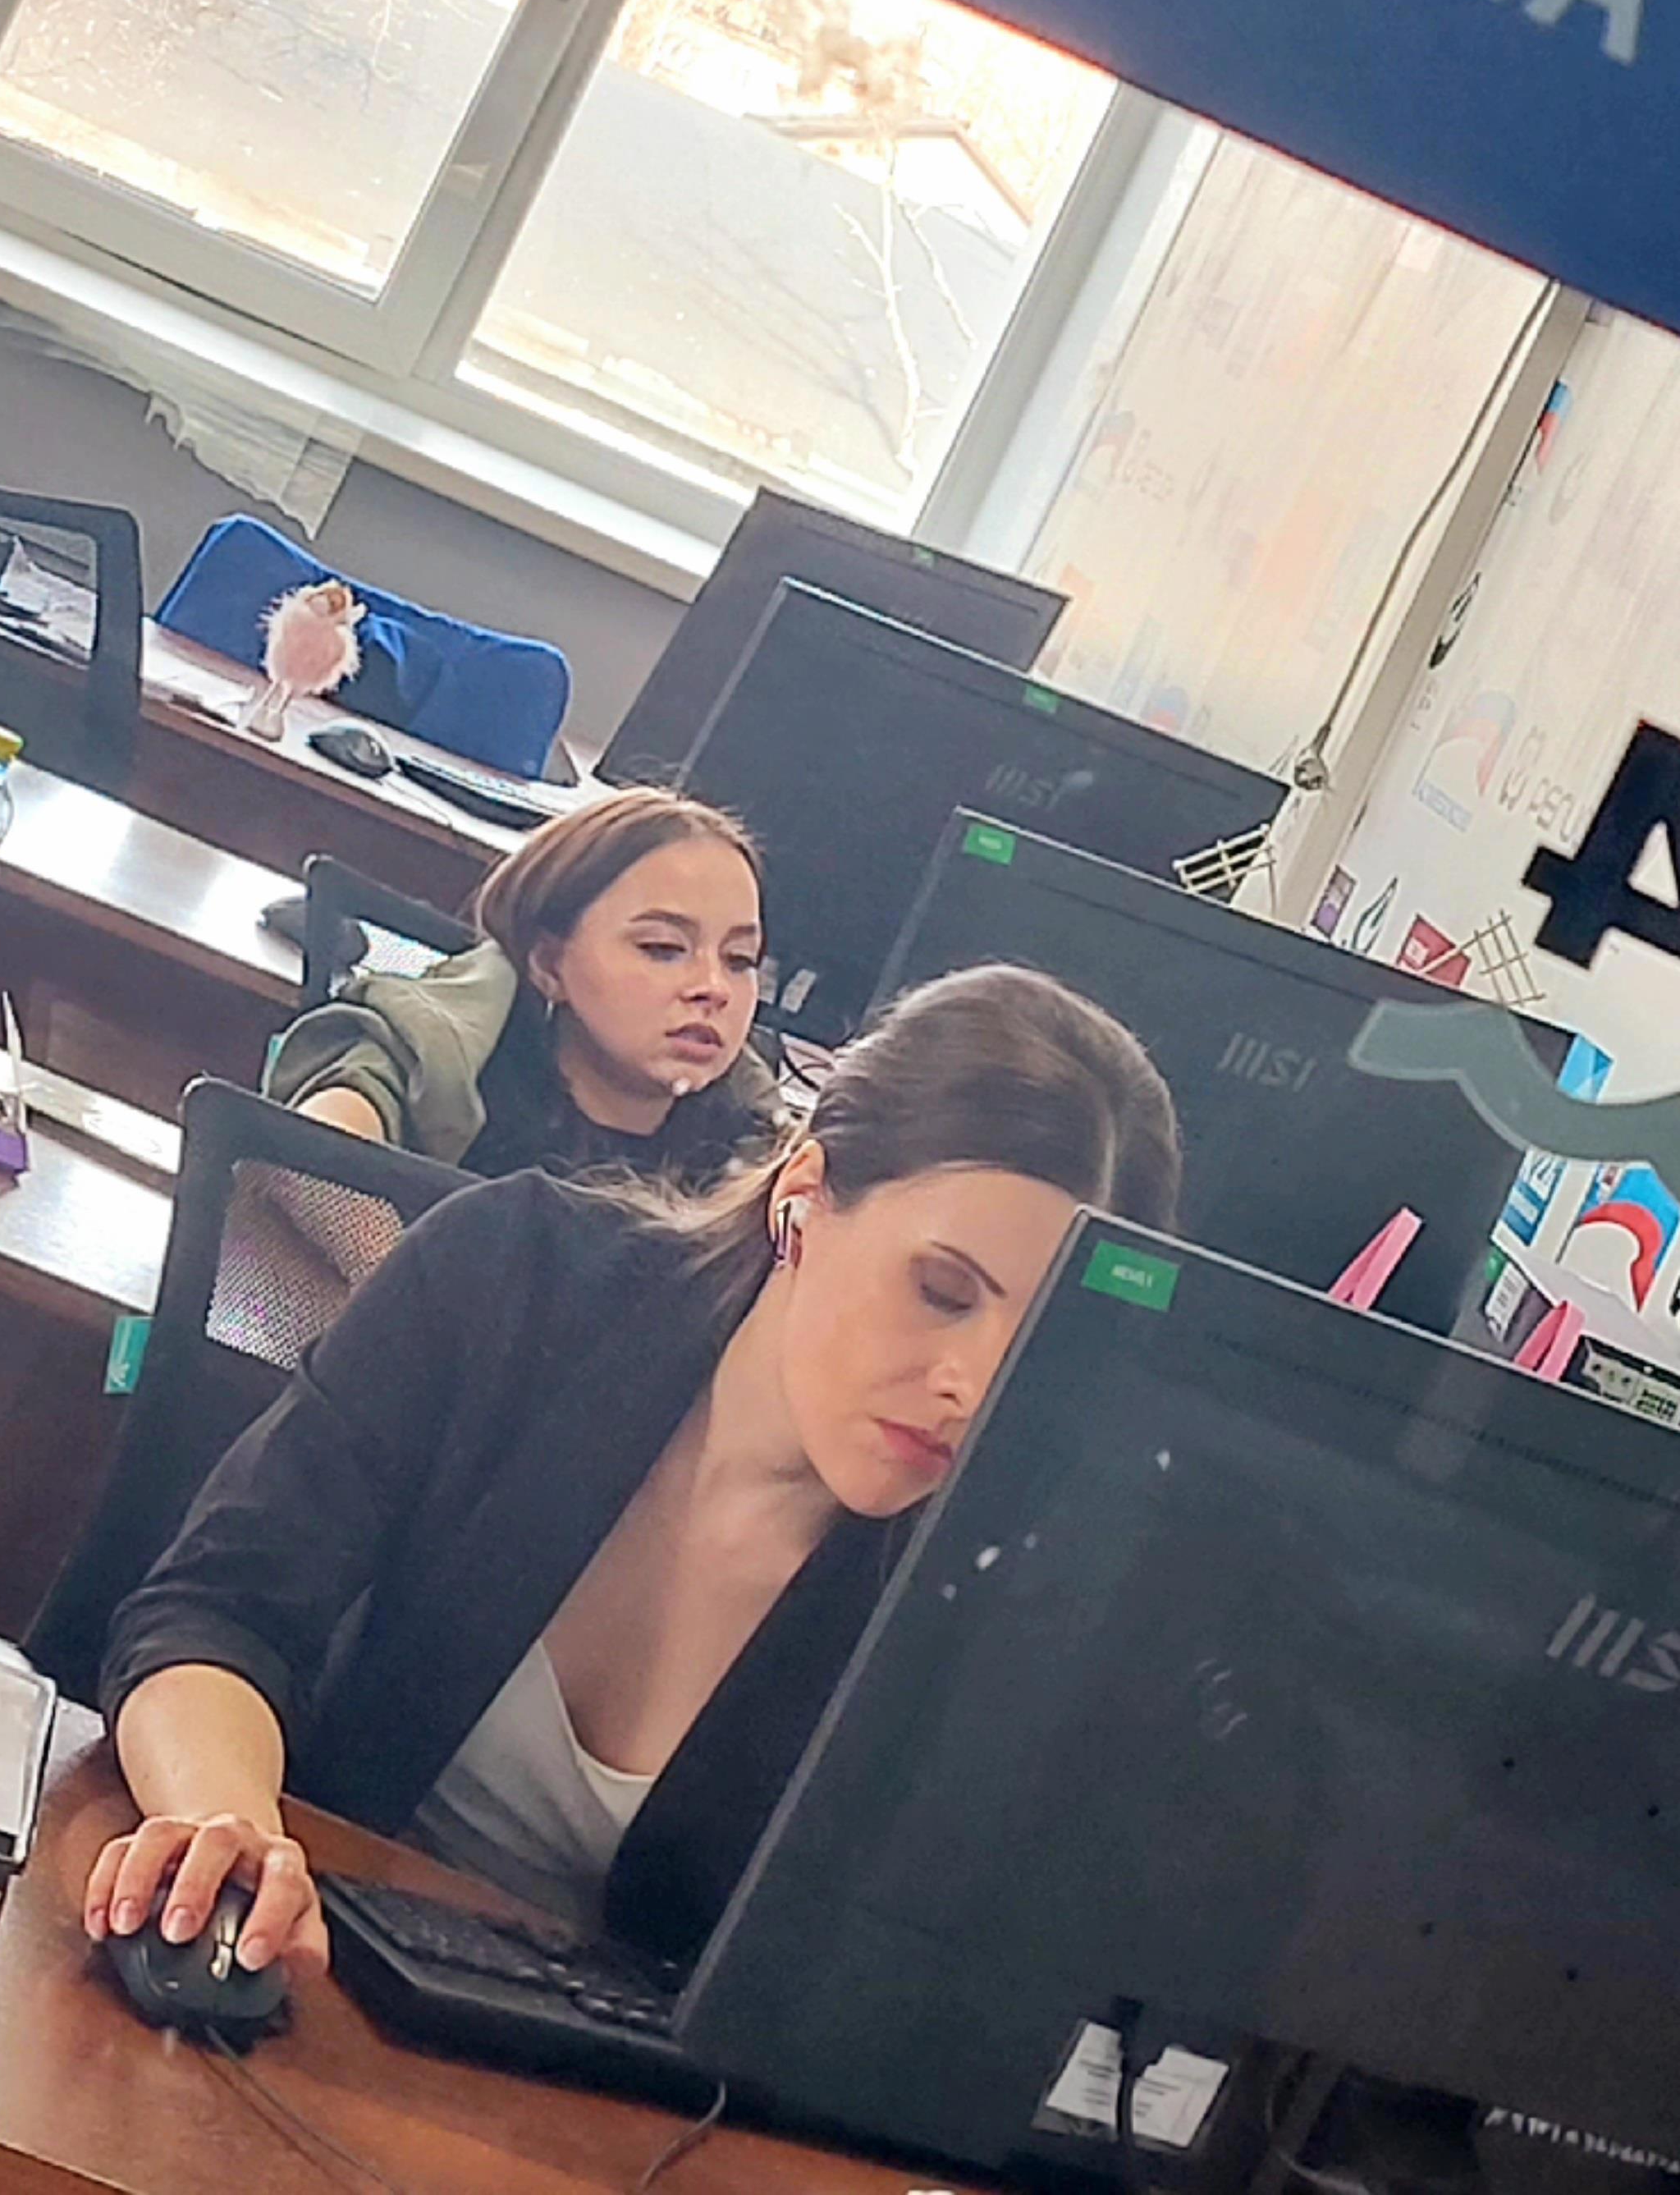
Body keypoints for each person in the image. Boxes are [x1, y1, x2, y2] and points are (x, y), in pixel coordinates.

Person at [86, 965, 1181, 1982]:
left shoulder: (990, 1587)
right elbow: (216, 1611)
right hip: (299, 1961)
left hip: (594, 2095)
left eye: (1040, 1345)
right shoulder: (516, 1278)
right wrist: (227, 1829)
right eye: (941, 1292)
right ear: (804, 1194)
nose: (973, 1387)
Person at [268, 789, 776, 1182]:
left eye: (740, 959)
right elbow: (302, 1168)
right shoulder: (438, 1061)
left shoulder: (758, 1155)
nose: (714, 988)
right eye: (663, 948)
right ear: (549, 964)